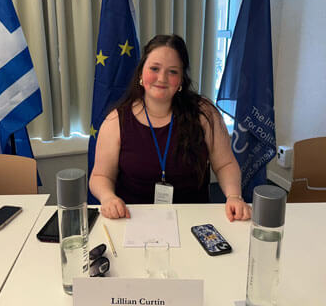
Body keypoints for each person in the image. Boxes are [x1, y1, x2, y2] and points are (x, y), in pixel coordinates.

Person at [89, 34, 251, 222]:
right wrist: (108, 197)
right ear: (141, 72)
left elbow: (225, 164)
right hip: (132, 220)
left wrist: (234, 196)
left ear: (182, 79)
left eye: (173, 71)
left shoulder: (205, 114)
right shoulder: (116, 120)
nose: (162, 78)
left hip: (193, 221)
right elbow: (100, 176)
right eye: (154, 68)